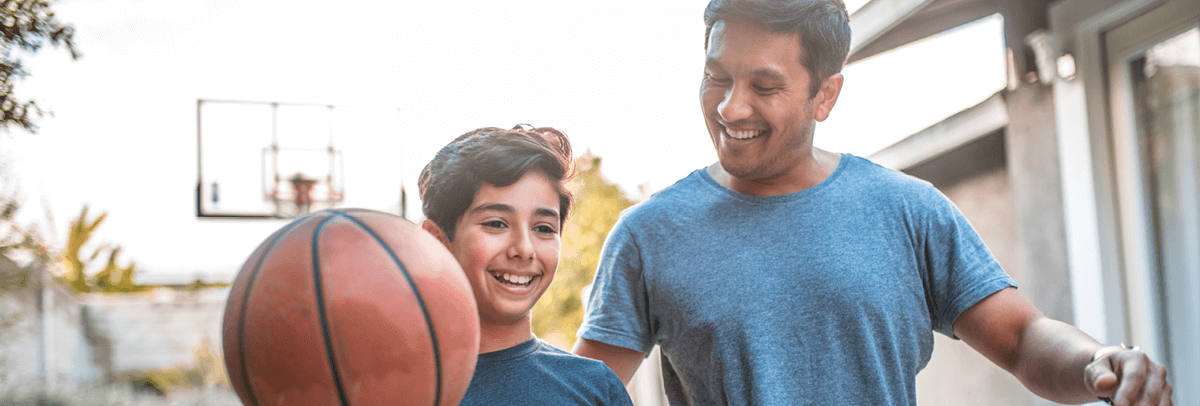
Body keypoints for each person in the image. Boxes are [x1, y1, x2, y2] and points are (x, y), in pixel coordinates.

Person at [572, 1, 1173, 405]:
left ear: (825, 94)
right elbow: (583, 392)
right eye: (716, 77)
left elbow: (1023, 338)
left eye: (764, 85)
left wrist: (1100, 361)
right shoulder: (648, 236)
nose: (731, 107)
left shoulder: (909, 212)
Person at [418, 125, 634, 406]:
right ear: (437, 241)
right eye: (496, 224)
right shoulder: (384, 387)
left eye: (543, 228)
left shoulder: (595, 389)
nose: (524, 249)